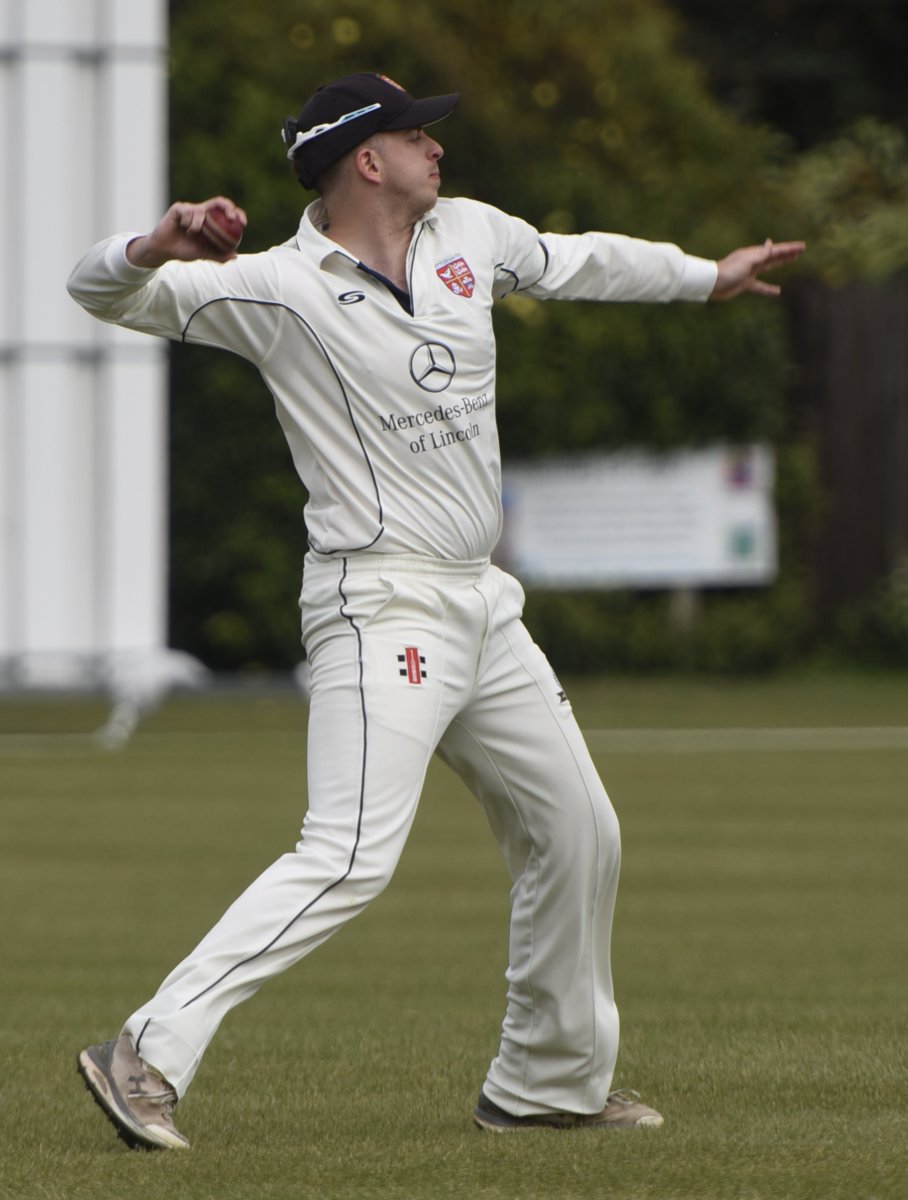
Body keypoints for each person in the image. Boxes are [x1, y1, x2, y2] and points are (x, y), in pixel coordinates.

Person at [68, 71, 804, 1150]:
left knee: (576, 831)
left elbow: (581, 258)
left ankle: (542, 1088)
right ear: (366, 158)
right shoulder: (275, 289)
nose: (437, 148)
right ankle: (144, 1051)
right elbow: (97, 294)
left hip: (480, 606)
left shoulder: (467, 234)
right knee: (351, 849)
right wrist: (153, 244)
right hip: (379, 604)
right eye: (418, 135)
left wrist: (706, 278)